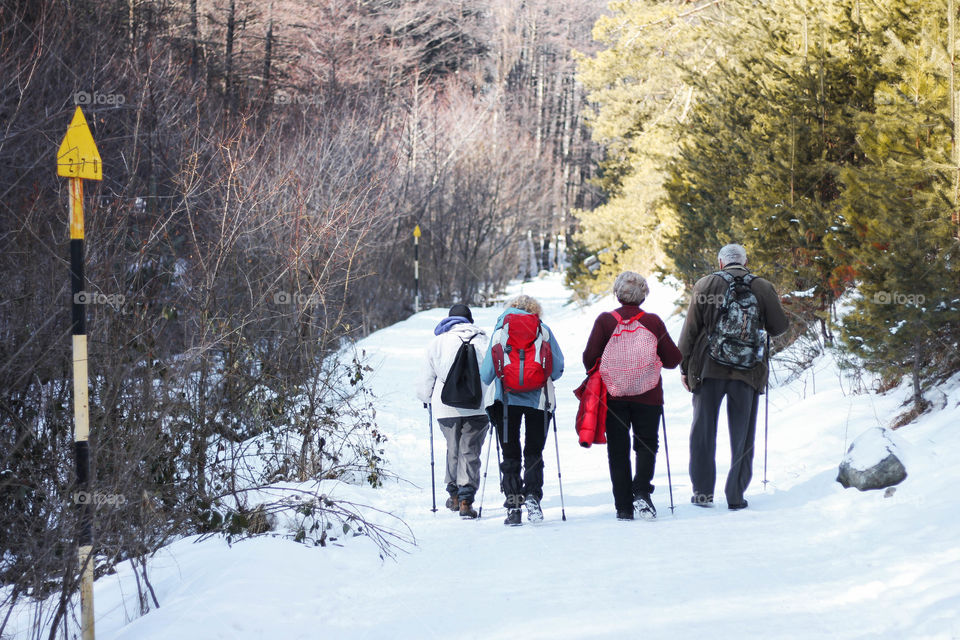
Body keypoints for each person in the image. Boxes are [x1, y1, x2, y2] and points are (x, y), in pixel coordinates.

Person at [678, 244, 789, 510]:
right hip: (748, 370)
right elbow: (780, 327)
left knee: (703, 430)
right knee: (743, 433)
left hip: (708, 369)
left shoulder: (705, 285)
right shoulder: (762, 287)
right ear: (745, 261)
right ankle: (735, 495)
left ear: (720, 263)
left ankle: (703, 493)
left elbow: (691, 329)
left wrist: (683, 366)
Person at [582, 271, 682, 521]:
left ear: (617, 294)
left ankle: (624, 507)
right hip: (648, 395)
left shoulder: (605, 321)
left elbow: (588, 358)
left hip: (613, 396)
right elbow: (672, 360)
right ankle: (641, 492)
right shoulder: (653, 322)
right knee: (647, 444)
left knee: (618, 449)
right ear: (644, 295)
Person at [480, 295, 564, 526]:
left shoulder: (500, 332)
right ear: (536, 310)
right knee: (533, 452)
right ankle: (533, 497)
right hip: (540, 402)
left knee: (510, 453)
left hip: (504, 401)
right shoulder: (543, 330)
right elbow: (557, 369)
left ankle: (514, 505)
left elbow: (486, 374)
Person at [416, 304, 490, 519]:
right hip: (478, 404)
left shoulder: (437, 342)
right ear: (470, 320)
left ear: (449, 320)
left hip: (445, 405)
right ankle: (466, 498)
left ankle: (454, 495)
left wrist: (426, 397)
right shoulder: (482, 340)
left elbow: (425, 377)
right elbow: (491, 371)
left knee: (453, 447)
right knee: (470, 450)